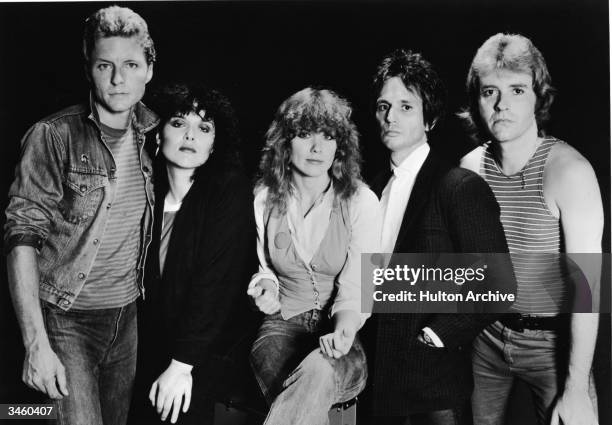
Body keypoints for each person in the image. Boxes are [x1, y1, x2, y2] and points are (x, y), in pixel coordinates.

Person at [4, 6, 156, 425]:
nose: (118, 79)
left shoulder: (158, 137)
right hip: (66, 318)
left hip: (126, 319)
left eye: (130, 65)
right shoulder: (53, 135)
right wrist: (36, 343)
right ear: (89, 69)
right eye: (104, 65)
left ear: (148, 70)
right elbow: (21, 236)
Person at [460, 33, 603, 425]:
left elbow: (587, 292)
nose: (502, 104)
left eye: (517, 90)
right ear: (477, 100)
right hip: (487, 335)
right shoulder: (470, 168)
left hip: (552, 344)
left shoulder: (569, 171)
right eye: (490, 91)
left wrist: (575, 390)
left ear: (538, 97)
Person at [366, 49, 511, 425]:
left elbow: (498, 284)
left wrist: (435, 335)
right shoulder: (372, 189)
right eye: (383, 106)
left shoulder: (458, 186)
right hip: (377, 381)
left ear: (429, 118)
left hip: (433, 386)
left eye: (405, 106)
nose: (390, 117)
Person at [247, 87, 381, 425]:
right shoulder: (264, 199)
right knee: (308, 389)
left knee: (320, 371)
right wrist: (265, 287)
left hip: (341, 328)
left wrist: (345, 330)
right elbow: (264, 268)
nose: (318, 147)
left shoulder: (361, 201)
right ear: (284, 141)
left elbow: (359, 285)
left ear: (340, 145)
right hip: (281, 326)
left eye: (329, 136)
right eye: (305, 135)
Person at [133, 82, 255, 425]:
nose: (190, 136)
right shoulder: (144, 192)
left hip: (201, 351)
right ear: (158, 135)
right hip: (142, 346)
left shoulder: (228, 190)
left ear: (214, 144)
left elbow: (216, 285)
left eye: (203, 128)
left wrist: (181, 364)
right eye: (178, 123)